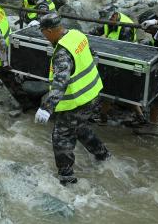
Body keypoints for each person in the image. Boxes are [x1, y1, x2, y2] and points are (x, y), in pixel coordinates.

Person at [35, 13, 110, 185]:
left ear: (50, 30)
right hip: (93, 94)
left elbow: (61, 82)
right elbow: (91, 54)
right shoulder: (77, 34)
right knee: (80, 127)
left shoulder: (62, 52)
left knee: (61, 137)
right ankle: (103, 155)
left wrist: (46, 108)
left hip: (76, 101)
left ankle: (67, 178)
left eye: (43, 33)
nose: (44, 36)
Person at [92, 4, 143, 125]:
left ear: (115, 15)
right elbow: (95, 31)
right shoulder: (109, 21)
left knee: (110, 87)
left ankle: (103, 117)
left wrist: (104, 41)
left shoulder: (125, 27)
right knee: (122, 88)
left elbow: (123, 48)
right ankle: (140, 116)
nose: (107, 22)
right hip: (114, 57)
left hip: (126, 58)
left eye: (109, 19)